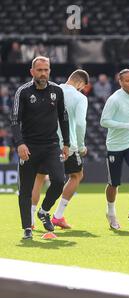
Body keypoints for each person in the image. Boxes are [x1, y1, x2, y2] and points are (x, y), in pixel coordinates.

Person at [10, 56, 70, 240]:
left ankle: (44, 211)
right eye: (39, 70)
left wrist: (66, 143)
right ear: (32, 72)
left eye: (46, 70)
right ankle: (27, 228)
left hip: (52, 145)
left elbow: (64, 118)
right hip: (29, 147)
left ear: (50, 70)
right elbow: (14, 121)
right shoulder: (23, 92)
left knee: (59, 180)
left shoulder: (57, 91)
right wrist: (20, 144)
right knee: (26, 190)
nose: (43, 73)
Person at [31, 69, 90, 229]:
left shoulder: (51, 90)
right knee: (77, 175)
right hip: (66, 144)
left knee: (39, 178)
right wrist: (81, 145)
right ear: (81, 83)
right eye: (83, 87)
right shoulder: (80, 98)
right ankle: (57, 216)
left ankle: (30, 220)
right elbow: (80, 124)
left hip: (44, 142)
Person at [100, 69, 129, 230]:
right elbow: (104, 121)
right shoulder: (114, 100)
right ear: (120, 82)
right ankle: (111, 213)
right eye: (128, 81)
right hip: (115, 146)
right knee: (114, 183)